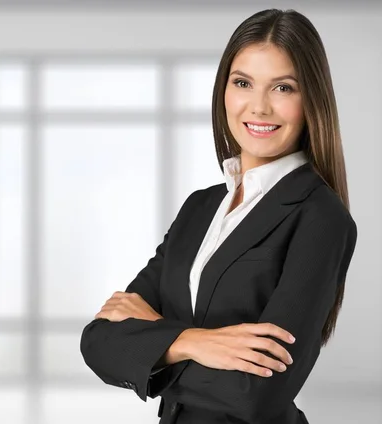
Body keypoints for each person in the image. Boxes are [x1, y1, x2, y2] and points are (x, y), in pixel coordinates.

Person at [80, 8, 358, 424]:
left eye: (283, 87)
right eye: (242, 82)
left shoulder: (321, 218)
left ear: (311, 99)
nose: (259, 106)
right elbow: (99, 341)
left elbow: (257, 394)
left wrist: (157, 337)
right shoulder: (200, 207)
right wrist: (193, 341)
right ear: (223, 90)